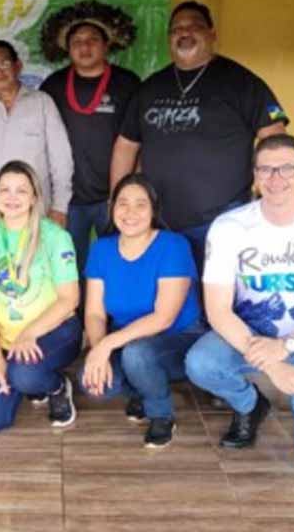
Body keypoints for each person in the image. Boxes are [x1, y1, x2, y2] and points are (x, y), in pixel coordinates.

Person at [185, 134, 294, 475]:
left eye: (286, 168)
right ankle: (251, 404)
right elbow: (218, 310)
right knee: (201, 363)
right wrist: (274, 367)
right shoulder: (229, 227)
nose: (275, 178)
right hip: (251, 334)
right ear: (255, 175)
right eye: (265, 169)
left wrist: (287, 348)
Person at [111, 0, 289, 267]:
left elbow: (276, 140)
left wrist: (273, 196)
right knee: (167, 291)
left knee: (218, 291)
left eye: (194, 26)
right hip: (158, 223)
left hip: (223, 221)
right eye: (176, 29)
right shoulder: (150, 88)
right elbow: (126, 146)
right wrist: (118, 202)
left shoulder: (241, 82)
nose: (184, 33)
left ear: (212, 33)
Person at [80, 174, 204, 448]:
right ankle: (142, 388)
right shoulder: (102, 249)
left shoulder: (173, 245)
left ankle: (161, 414)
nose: (130, 212)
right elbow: (94, 314)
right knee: (93, 382)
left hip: (178, 336)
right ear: (112, 208)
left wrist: (107, 345)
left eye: (140, 204)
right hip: (126, 338)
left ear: (153, 210)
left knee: (137, 355)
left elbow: (163, 318)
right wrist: (99, 351)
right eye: (123, 203)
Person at [38, 0, 141, 295]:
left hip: (115, 196)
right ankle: (77, 319)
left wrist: (129, 192)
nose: (84, 47)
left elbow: (141, 140)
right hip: (68, 200)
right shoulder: (53, 86)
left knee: (119, 262)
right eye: (77, 42)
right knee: (70, 269)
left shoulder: (128, 83)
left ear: (107, 44)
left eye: (92, 39)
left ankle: (114, 319)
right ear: (67, 48)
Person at [0, 161, 81, 432]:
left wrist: (29, 333)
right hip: (8, 342)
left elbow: (69, 299)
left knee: (24, 373)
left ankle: (56, 387)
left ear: (34, 197)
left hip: (55, 332)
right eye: (5, 190)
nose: (12, 197)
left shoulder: (55, 236)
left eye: (21, 190)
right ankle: (23, 376)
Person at [0, 40, 73, 226]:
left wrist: (60, 207)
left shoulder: (42, 103)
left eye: (4, 64)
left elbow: (61, 159)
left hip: (36, 214)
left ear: (17, 66)